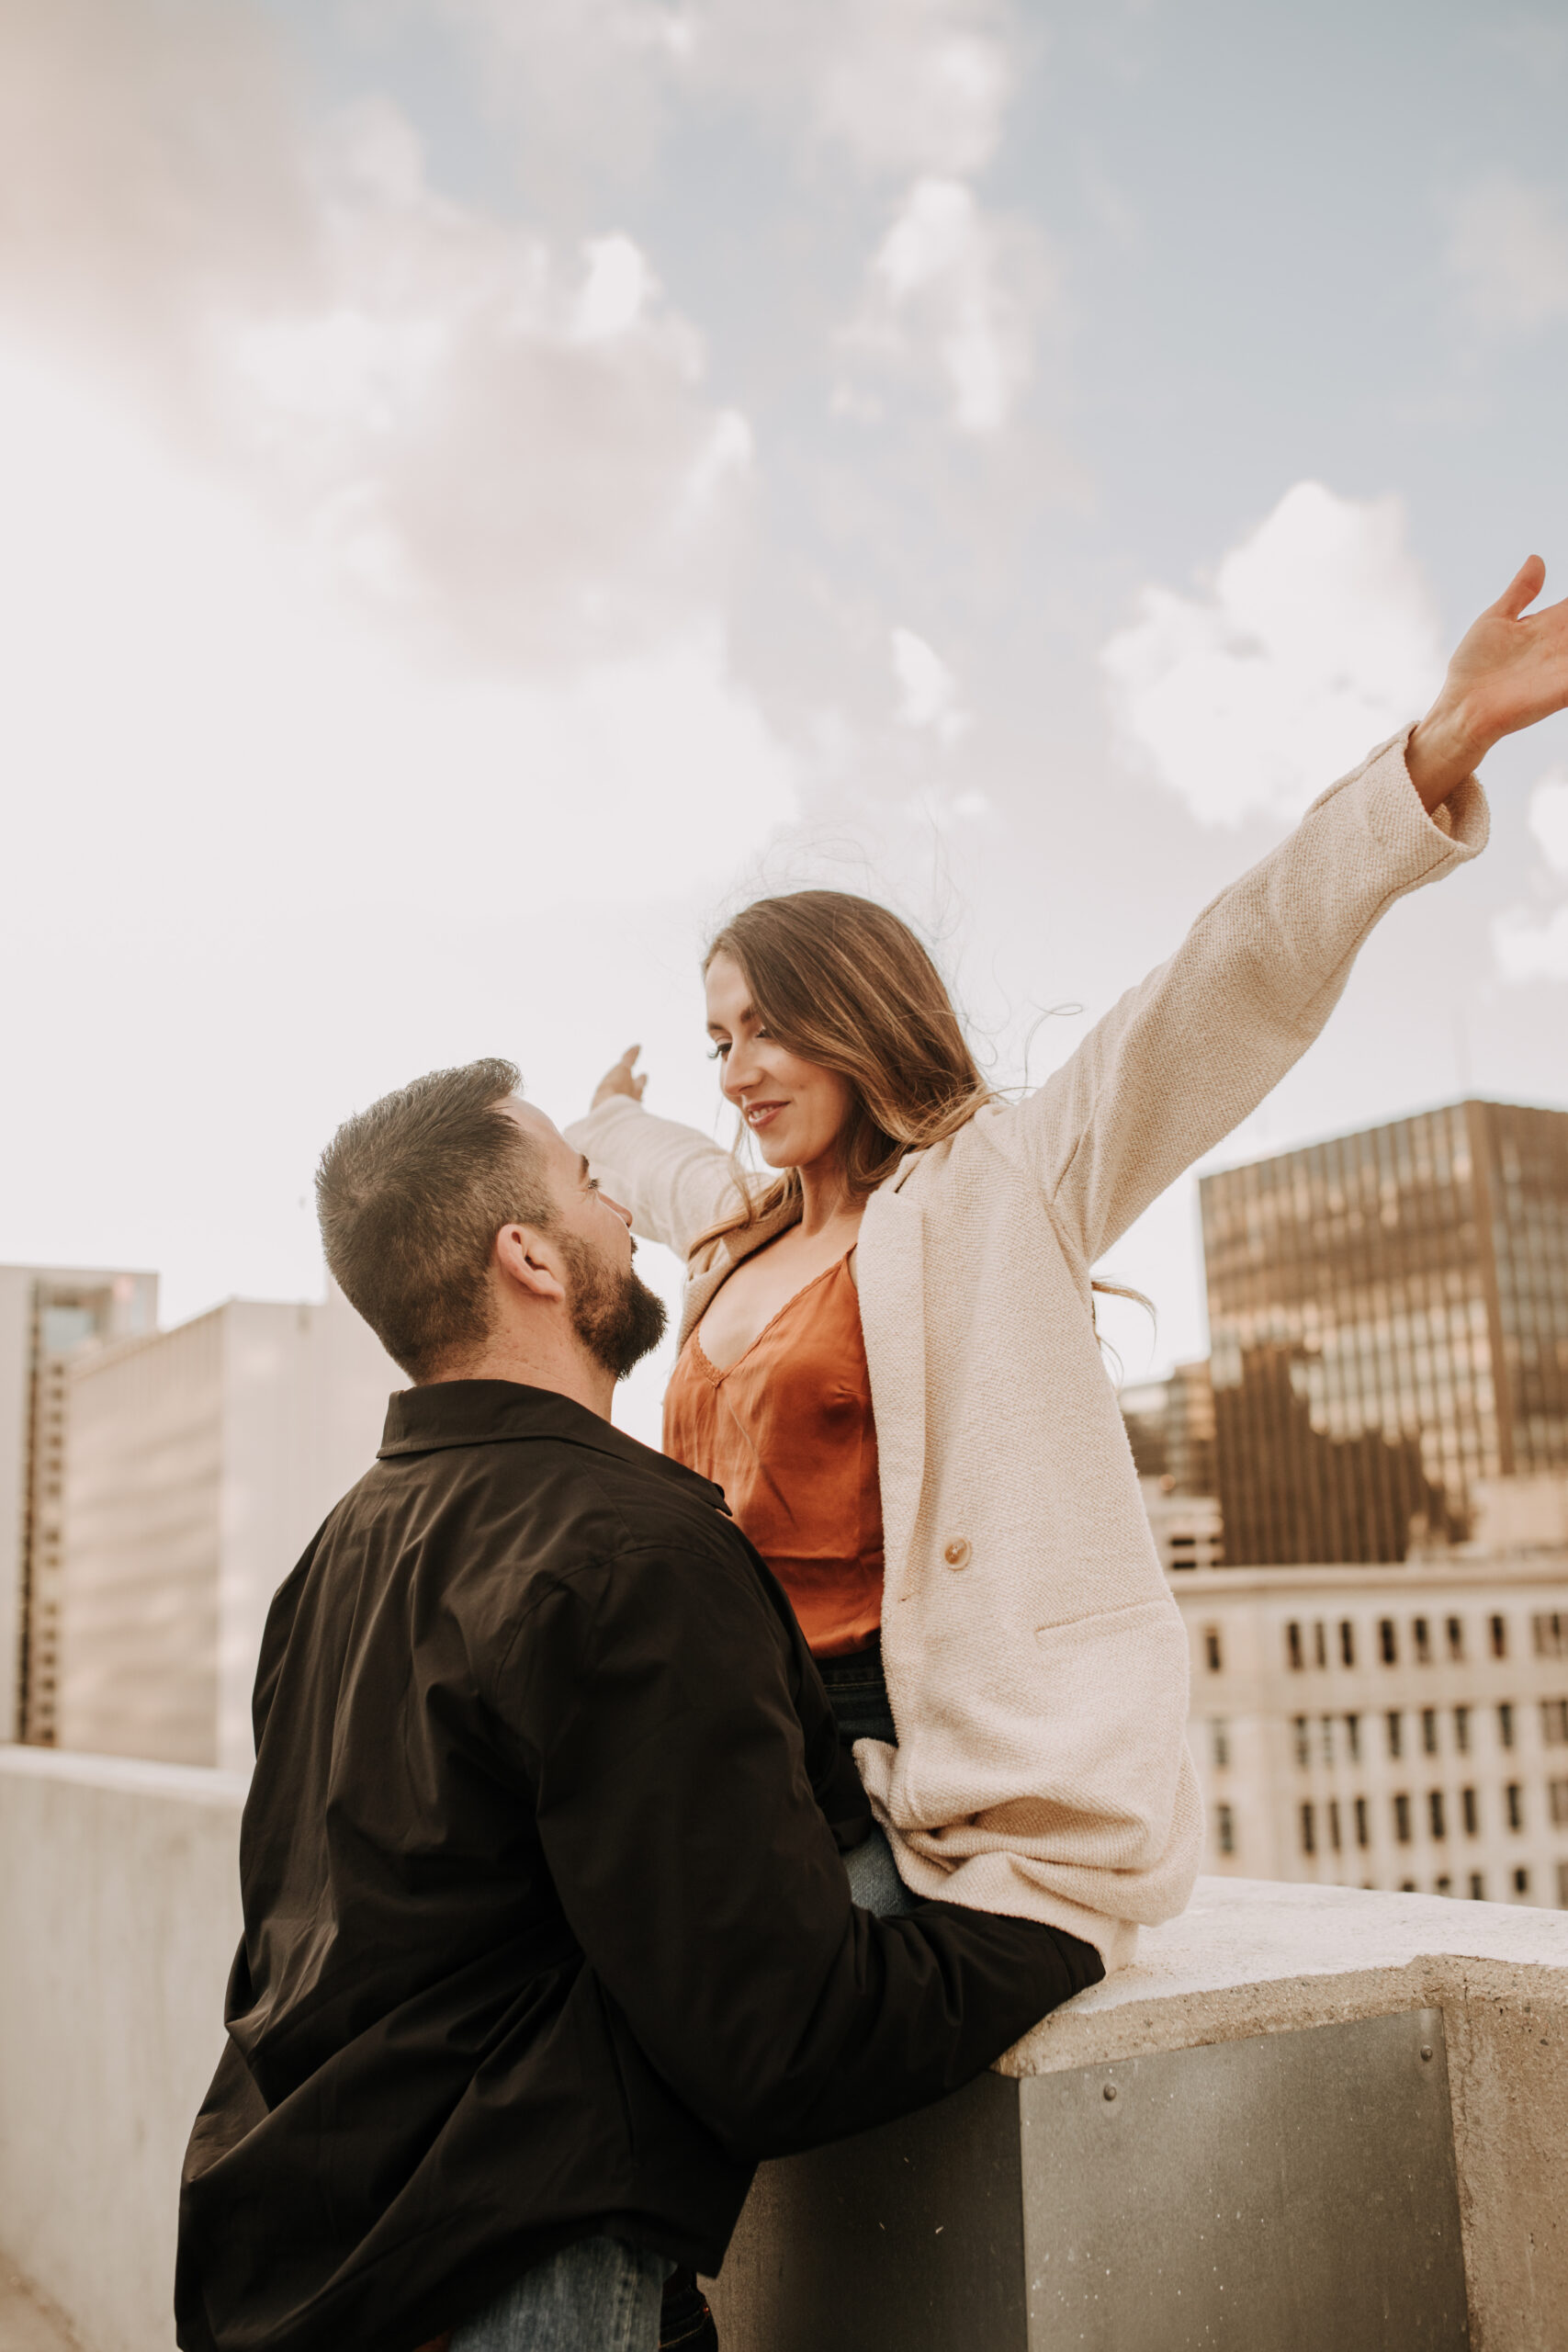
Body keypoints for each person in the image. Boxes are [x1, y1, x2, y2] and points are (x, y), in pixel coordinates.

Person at [569, 555, 1568, 1967]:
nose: (737, 1071)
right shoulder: (740, 1227)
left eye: (766, 1029)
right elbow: (661, 1162)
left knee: (728, 2041)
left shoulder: (996, 1191)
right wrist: (603, 1115)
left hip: (890, 1767)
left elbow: (1229, 978)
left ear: (852, 1015)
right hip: (725, 1736)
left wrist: (1429, 758)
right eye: (718, 1040)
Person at [175, 1061, 1103, 2352]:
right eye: (581, 1178)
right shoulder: (634, 1554)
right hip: (502, 2289)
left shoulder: (339, 1548)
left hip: (300, 2262)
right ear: (530, 1261)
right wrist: (1060, 1925)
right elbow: (783, 2034)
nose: (615, 1203)